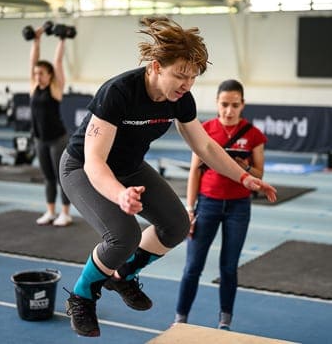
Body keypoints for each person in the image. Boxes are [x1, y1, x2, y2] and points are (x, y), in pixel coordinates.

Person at [59, 17, 276, 338]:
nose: (186, 84)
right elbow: (94, 162)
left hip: (130, 167)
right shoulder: (118, 92)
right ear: (156, 67)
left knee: (176, 225)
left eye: (193, 78)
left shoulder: (180, 100)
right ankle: (81, 297)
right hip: (82, 168)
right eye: (180, 75)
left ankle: (122, 276)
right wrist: (120, 195)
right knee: (123, 235)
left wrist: (244, 178)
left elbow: (204, 146)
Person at [174, 79, 268, 331]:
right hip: (207, 204)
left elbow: (259, 175)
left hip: (239, 208)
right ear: (217, 103)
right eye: (224, 104)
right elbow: (194, 172)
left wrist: (244, 167)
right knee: (193, 266)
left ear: (243, 105)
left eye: (234, 105)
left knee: (228, 267)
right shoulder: (204, 129)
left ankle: (225, 321)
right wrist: (190, 209)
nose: (228, 110)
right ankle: (180, 319)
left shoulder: (253, 134)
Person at [30, 25, 72, 227]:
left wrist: (61, 40)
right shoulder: (33, 88)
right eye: (36, 73)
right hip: (40, 139)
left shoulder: (55, 89)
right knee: (47, 177)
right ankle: (50, 212)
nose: (37, 76)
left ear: (49, 75)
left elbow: (56, 62)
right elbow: (33, 61)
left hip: (57, 138)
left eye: (41, 73)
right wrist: (36, 40)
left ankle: (65, 213)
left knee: (60, 177)